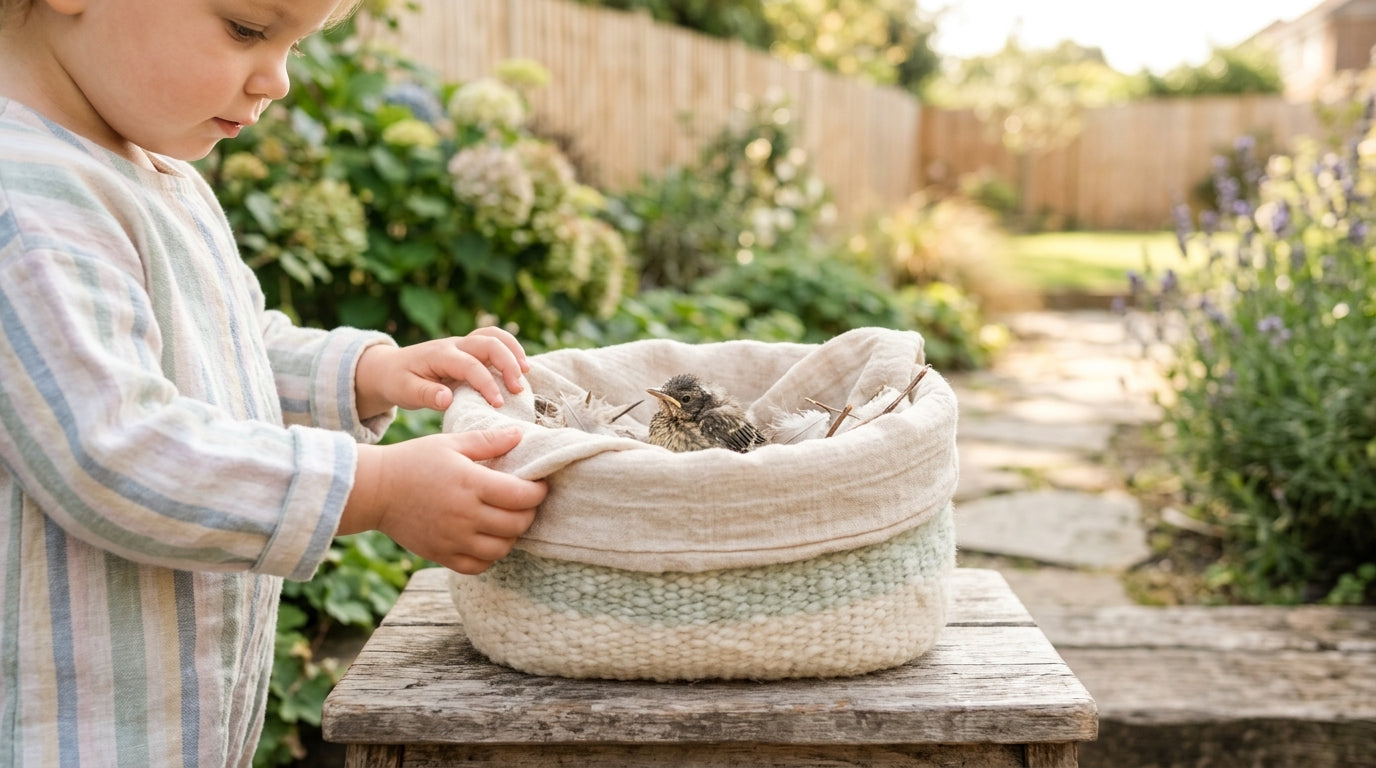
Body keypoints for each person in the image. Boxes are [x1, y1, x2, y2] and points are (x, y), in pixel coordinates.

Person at [0, 0, 550, 764]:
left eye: (298, 43)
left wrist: (367, 373)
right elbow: (114, 450)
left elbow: (228, 349)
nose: (279, 80)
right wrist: (376, 488)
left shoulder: (154, 171)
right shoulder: (26, 201)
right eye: (247, 29)